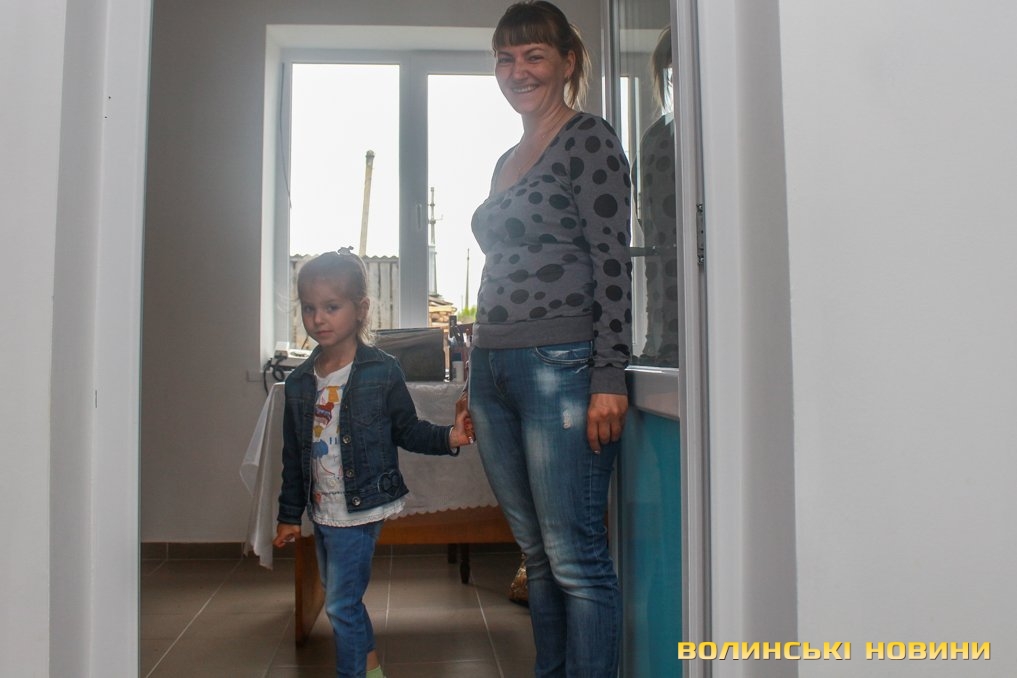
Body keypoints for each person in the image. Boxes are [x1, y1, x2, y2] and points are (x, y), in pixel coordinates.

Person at [466, 2, 633, 675]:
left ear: (567, 62)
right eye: (505, 59)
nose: (518, 71)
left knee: (574, 558)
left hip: (559, 364)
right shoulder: (506, 160)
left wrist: (608, 374)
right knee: (536, 556)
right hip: (494, 365)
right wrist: (476, 368)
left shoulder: (588, 138)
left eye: (533, 55)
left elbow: (612, 262)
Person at [274, 250, 474, 678]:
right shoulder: (299, 382)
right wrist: (289, 515)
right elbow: (294, 455)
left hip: (361, 508)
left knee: (340, 604)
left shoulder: (382, 372)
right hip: (322, 508)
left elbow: (408, 431)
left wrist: (450, 436)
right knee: (340, 598)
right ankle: (371, 667)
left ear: (360, 309)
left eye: (331, 306)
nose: (318, 319)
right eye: (309, 308)